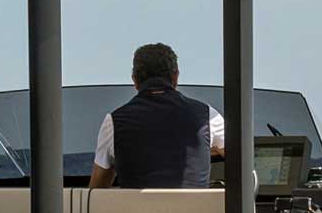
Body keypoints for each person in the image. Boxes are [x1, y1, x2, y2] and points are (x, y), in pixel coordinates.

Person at [88, 43, 225, 189]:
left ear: (134, 80)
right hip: (195, 212)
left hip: (134, 212)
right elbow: (240, 160)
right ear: (176, 77)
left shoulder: (114, 122)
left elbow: (96, 191)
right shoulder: (207, 116)